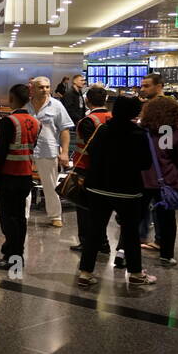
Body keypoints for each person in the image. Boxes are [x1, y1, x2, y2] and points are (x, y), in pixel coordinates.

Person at [75, 96, 155, 288]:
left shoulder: (102, 130)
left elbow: (91, 153)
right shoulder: (139, 134)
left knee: (95, 231)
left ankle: (85, 273)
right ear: (135, 113)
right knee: (130, 232)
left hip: (98, 188)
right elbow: (146, 163)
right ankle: (135, 273)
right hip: (127, 192)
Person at [0, 84, 41, 271]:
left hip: (8, 176)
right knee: (19, 218)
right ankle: (16, 255)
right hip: (26, 175)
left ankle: (11, 256)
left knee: (7, 219)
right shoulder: (36, 122)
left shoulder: (8, 121)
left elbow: (0, 152)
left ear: (12, 99)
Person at [140, 95, 178, 267]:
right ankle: (166, 255)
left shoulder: (141, 130)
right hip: (166, 181)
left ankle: (125, 251)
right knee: (167, 220)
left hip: (142, 180)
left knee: (135, 218)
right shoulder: (171, 132)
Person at [23, 76, 73, 228]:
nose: (45, 90)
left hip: (49, 149)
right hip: (27, 150)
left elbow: (64, 130)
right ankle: (23, 215)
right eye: (41, 87)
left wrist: (64, 152)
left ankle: (55, 216)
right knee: (24, 184)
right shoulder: (25, 106)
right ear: (33, 88)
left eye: (47, 87)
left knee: (50, 185)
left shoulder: (56, 106)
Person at [69, 84, 112, 256]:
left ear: (87, 101)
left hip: (86, 170)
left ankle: (87, 242)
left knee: (84, 208)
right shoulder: (113, 117)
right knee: (101, 209)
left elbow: (90, 148)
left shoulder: (87, 121)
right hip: (107, 171)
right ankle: (103, 242)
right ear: (106, 100)